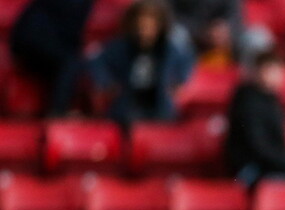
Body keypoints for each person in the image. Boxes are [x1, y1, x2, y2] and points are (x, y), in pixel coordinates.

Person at [87, 0, 195, 128]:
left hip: (159, 109)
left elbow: (187, 59)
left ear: (160, 26)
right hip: (127, 108)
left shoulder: (169, 49)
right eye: (140, 26)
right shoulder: (120, 47)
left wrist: (179, 81)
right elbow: (96, 61)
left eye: (149, 26)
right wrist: (107, 83)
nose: (144, 32)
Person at [225, 49, 285, 190]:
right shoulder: (247, 102)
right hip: (250, 170)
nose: (276, 75)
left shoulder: (272, 101)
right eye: (270, 69)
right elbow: (260, 149)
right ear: (257, 71)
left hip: (269, 166)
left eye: (278, 69)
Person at [9, 0, 93, 117]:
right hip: (33, 40)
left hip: (33, 41)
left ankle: (56, 114)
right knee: (71, 63)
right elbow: (70, 29)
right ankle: (57, 114)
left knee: (69, 62)